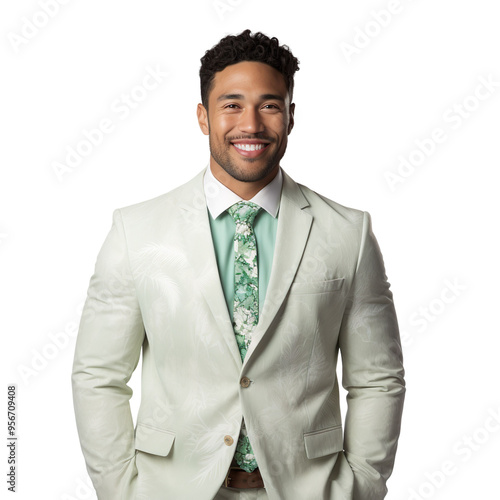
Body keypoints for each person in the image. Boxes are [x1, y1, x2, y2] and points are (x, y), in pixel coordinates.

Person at [71, 29, 406, 500]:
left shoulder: (347, 233)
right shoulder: (136, 231)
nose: (250, 123)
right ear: (203, 118)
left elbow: (378, 378)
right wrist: (121, 491)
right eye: (231, 105)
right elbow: (98, 375)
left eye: (269, 105)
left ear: (291, 117)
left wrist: (362, 486)